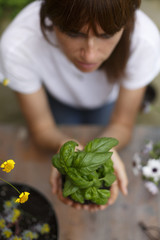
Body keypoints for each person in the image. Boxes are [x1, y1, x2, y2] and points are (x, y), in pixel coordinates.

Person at [0, 0, 160, 211]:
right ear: (51, 20)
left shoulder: (144, 41)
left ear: (126, 25)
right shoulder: (18, 45)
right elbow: (42, 129)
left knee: (101, 122)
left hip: (109, 99)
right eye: (74, 33)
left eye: (106, 35)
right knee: (63, 122)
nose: (90, 54)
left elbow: (122, 124)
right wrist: (65, 145)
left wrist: (106, 149)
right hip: (57, 96)